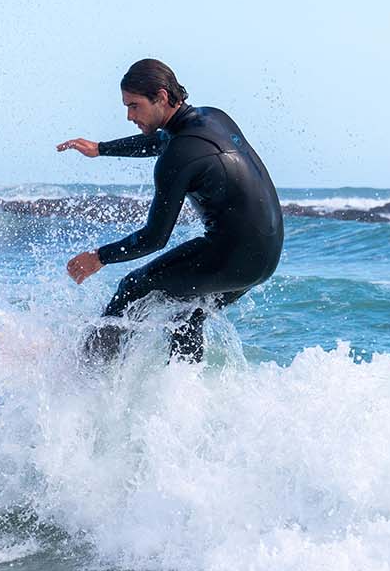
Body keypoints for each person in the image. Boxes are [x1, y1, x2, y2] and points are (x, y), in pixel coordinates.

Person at [55, 59, 284, 363]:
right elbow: (162, 141)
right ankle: (184, 394)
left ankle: (86, 370)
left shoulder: (178, 157)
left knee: (133, 288)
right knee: (186, 313)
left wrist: (99, 257)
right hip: (266, 257)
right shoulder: (212, 117)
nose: (129, 116)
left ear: (161, 97)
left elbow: (154, 238)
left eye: (134, 106)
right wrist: (101, 148)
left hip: (232, 255)